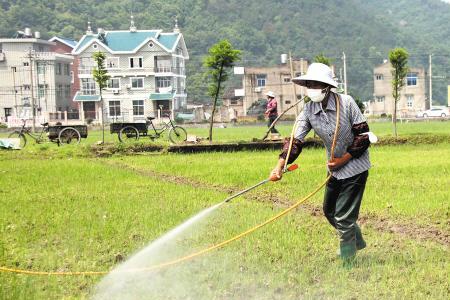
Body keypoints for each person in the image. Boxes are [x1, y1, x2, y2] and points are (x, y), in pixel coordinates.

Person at [270, 63, 373, 261]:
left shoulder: (347, 102)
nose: (312, 88)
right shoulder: (308, 110)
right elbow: (295, 141)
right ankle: (355, 241)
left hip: (355, 166)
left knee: (343, 216)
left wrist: (344, 159)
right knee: (330, 211)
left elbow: (364, 135)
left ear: (327, 87)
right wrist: (279, 166)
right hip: (334, 168)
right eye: (309, 84)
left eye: (316, 84)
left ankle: (347, 262)